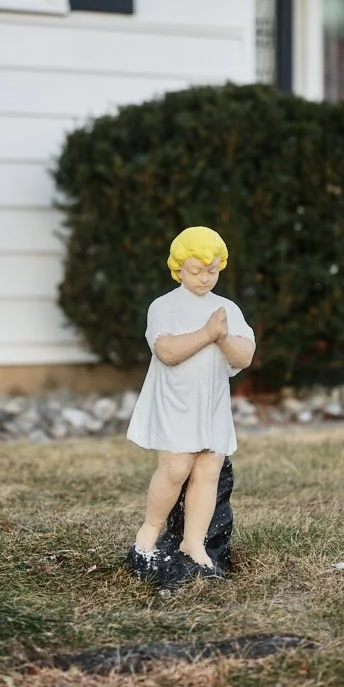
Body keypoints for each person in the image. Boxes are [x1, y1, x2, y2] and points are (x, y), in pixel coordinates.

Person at [126, 226, 255, 585]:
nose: (204, 278)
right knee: (175, 467)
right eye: (197, 271)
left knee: (208, 470)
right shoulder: (164, 306)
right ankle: (148, 534)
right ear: (179, 268)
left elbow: (244, 355)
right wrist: (208, 334)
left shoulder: (226, 309)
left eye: (212, 270)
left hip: (211, 403)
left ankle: (194, 543)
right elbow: (166, 351)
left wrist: (224, 335)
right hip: (176, 402)